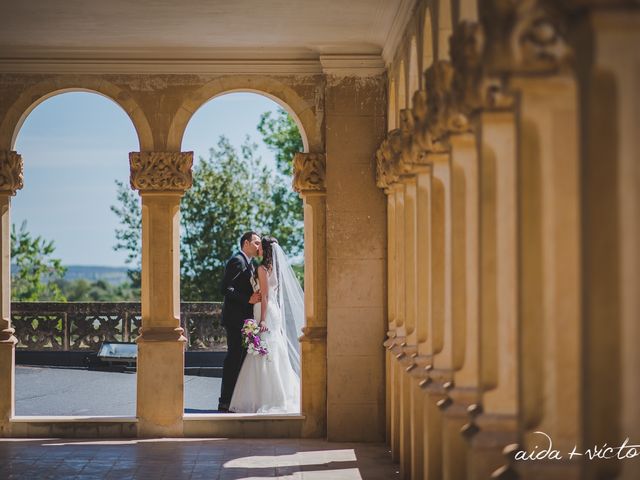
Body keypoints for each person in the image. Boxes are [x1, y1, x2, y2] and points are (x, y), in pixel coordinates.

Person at [229, 235, 304, 413]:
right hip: (274, 311)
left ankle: (266, 397)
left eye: (260, 245)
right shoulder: (275, 268)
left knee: (263, 349)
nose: (258, 248)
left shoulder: (262, 269)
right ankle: (280, 393)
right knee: (273, 348)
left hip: (266, 310)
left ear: (265, 249)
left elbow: (266, 296)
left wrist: (262, 318)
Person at [218, 231, 262, 413]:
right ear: (246, 243)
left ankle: (234, 400)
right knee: (233, 359)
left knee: (240, 360)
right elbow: (225, 288)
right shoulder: (237, 260)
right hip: (235, 320)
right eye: (256, 243)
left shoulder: (250, 263)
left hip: (245, 321)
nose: (259, 246)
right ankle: (225, 401)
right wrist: (247, 300)